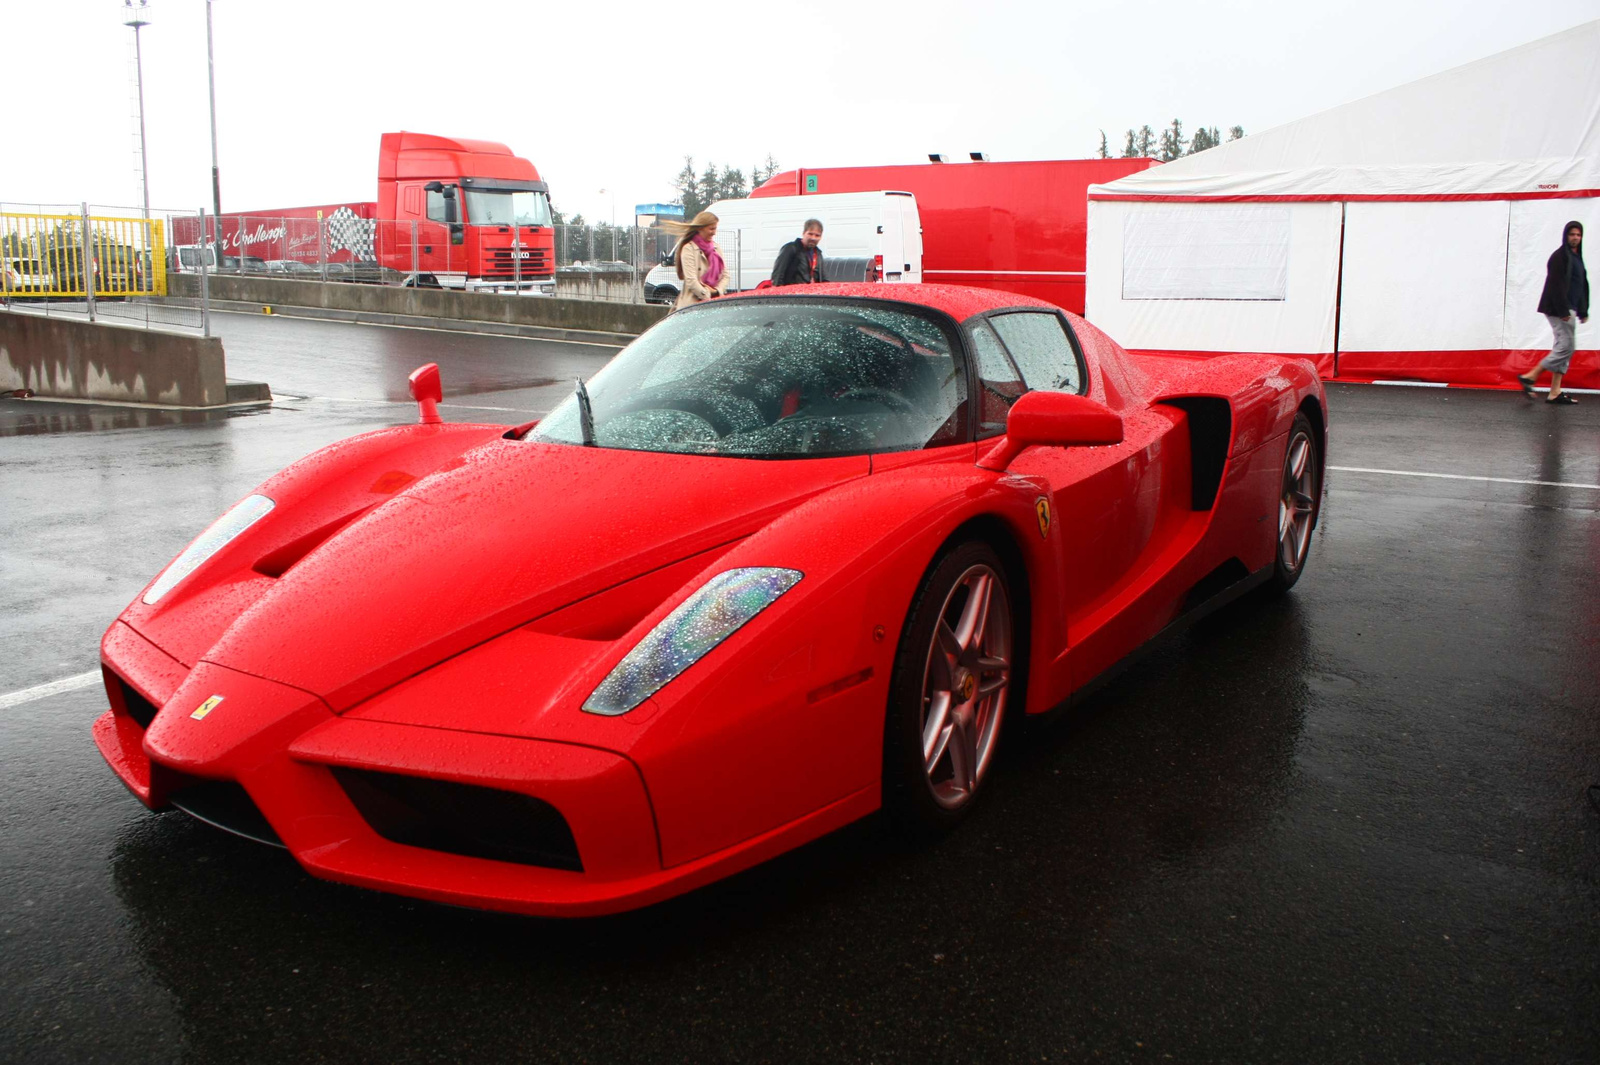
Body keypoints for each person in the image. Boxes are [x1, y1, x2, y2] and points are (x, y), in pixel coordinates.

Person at [1516, 221, 1588, 404]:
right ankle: (1531, 376)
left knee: (1564, 347)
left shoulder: (1576, 257)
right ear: (1566, 235)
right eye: (1572, 234)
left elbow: (1581, 284)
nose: (1575, 238)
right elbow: (1555, 285)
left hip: (1569, 307)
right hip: (1559, 309)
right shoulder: (1559, 257)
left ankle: (1555, 392)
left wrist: (1582, 309)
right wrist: (1563, 309)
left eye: (1578, 235)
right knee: (1566, 347)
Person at [664, 211, 729, 309]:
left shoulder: (716, 248)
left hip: (714, 304)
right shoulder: (688, 248)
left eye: (715, 228)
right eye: (711, 229)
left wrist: (716, 292)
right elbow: (691, 281)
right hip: (692, 307)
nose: (714, 233)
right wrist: (708, 294)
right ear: (700, 228)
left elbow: (726, 275)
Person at [771, 219, 827, 286]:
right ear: (803, 233)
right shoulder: (791, 249)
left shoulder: (818, 254)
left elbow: (824, 279)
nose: (813, 238)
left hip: (812, 294)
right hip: (794, 295)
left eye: (817, 235)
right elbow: (778, 275)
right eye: (810, 234)